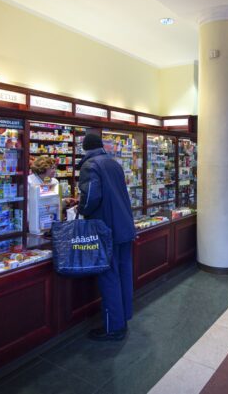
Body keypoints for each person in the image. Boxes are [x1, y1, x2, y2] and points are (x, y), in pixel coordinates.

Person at [76, 132, 136, 341]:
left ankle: (113, 327)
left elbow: (91, 197)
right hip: (124, 227)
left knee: (109, 277)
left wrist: (80, 209)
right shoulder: (113, 163)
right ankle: (124, 316)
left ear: (84, 148)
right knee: (124, 273)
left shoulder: (90, 165)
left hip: (106, 228)